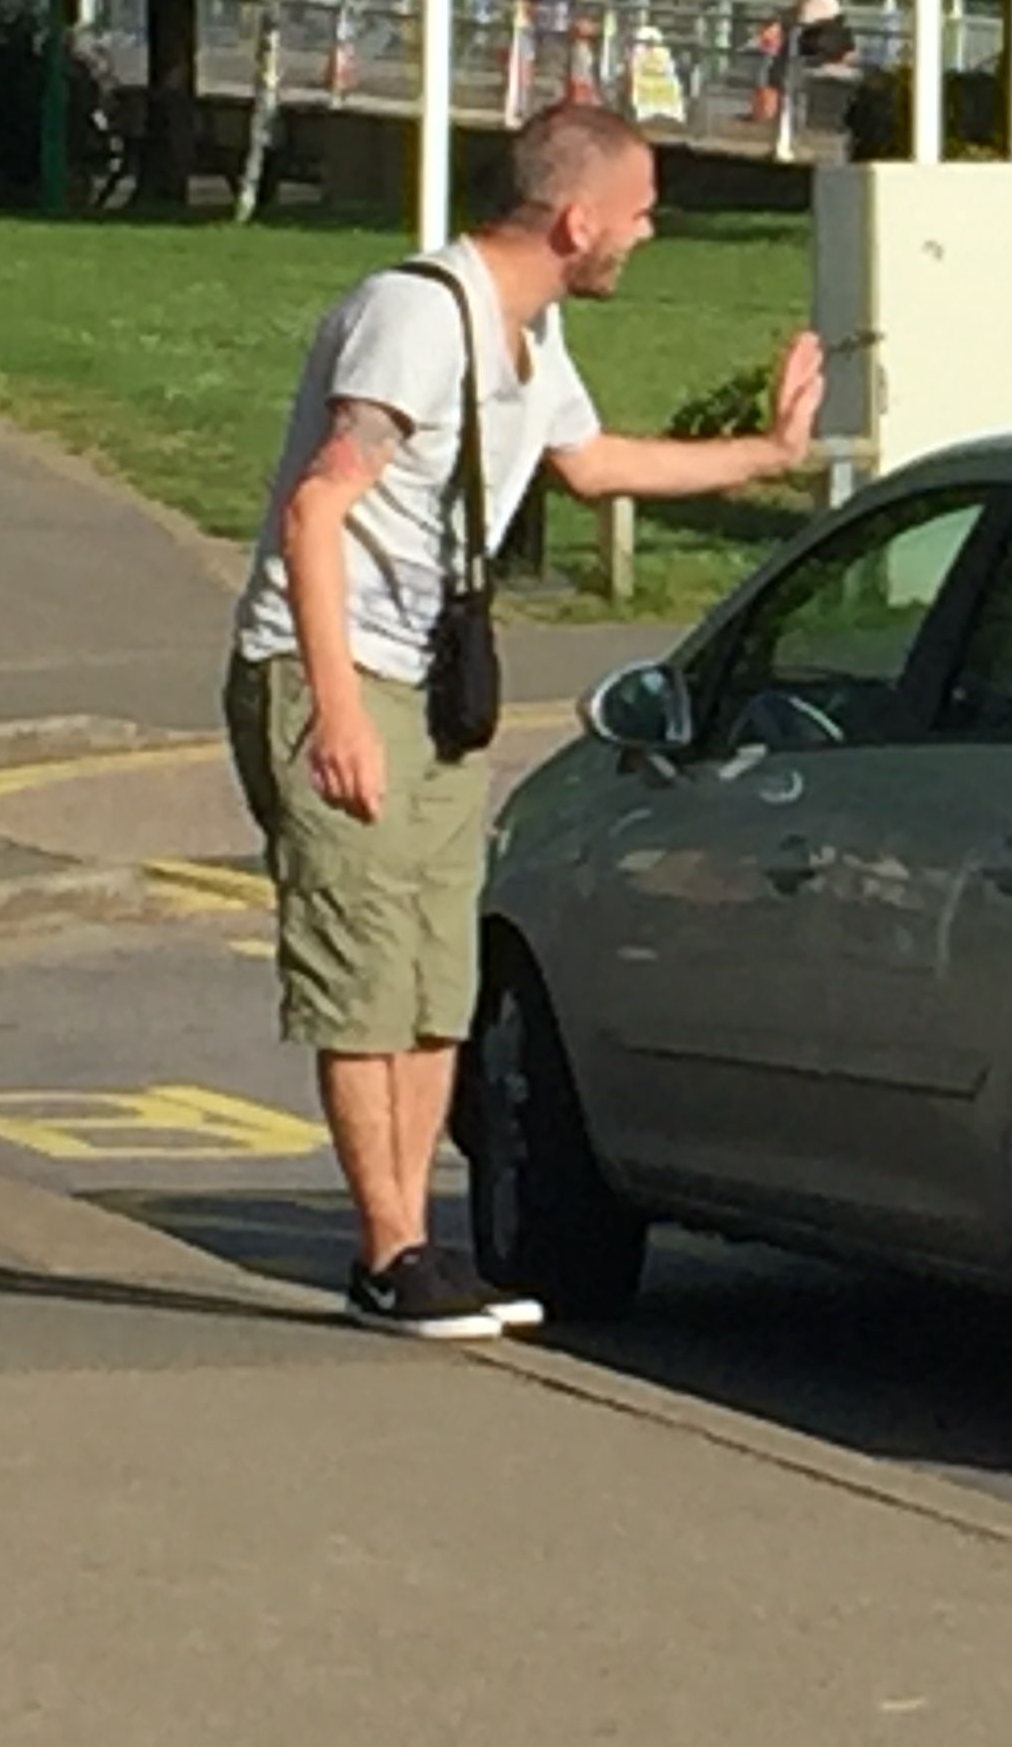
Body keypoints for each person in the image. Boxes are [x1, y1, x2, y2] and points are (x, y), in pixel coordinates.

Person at [225, 99, 824, 1341]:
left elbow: (595, 465)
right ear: (577, 217)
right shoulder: (415, 318)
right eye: (643, 214)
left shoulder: (527, 336)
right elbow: (315, 512)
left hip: (435, 689)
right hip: (334, 668)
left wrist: (771, 454)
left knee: (438, 971)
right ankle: (388, 1251)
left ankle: (419, 1246)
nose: (647, 236)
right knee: (361, 965)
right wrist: (333, 707)